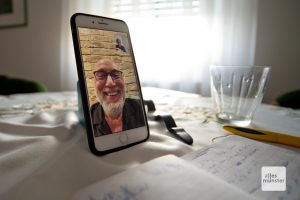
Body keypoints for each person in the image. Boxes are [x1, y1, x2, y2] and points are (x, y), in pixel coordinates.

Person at [90, 59, 145, 136]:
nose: (110, 83)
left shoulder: (140, 107)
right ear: (94, 84)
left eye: (116, 75)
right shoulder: (89, 117)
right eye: (101, 76)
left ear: (123, 80)